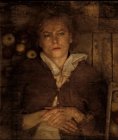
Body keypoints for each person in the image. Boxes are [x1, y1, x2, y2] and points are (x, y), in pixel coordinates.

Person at [2, 10, 107, 140]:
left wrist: (75, 114)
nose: (55, 40)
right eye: (47, 35)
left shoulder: (89, 73)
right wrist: (45, 115)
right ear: (39, 41)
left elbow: (102, 126)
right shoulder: (25, 69)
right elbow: (6, 119)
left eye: (61, 33)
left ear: (71, 37)